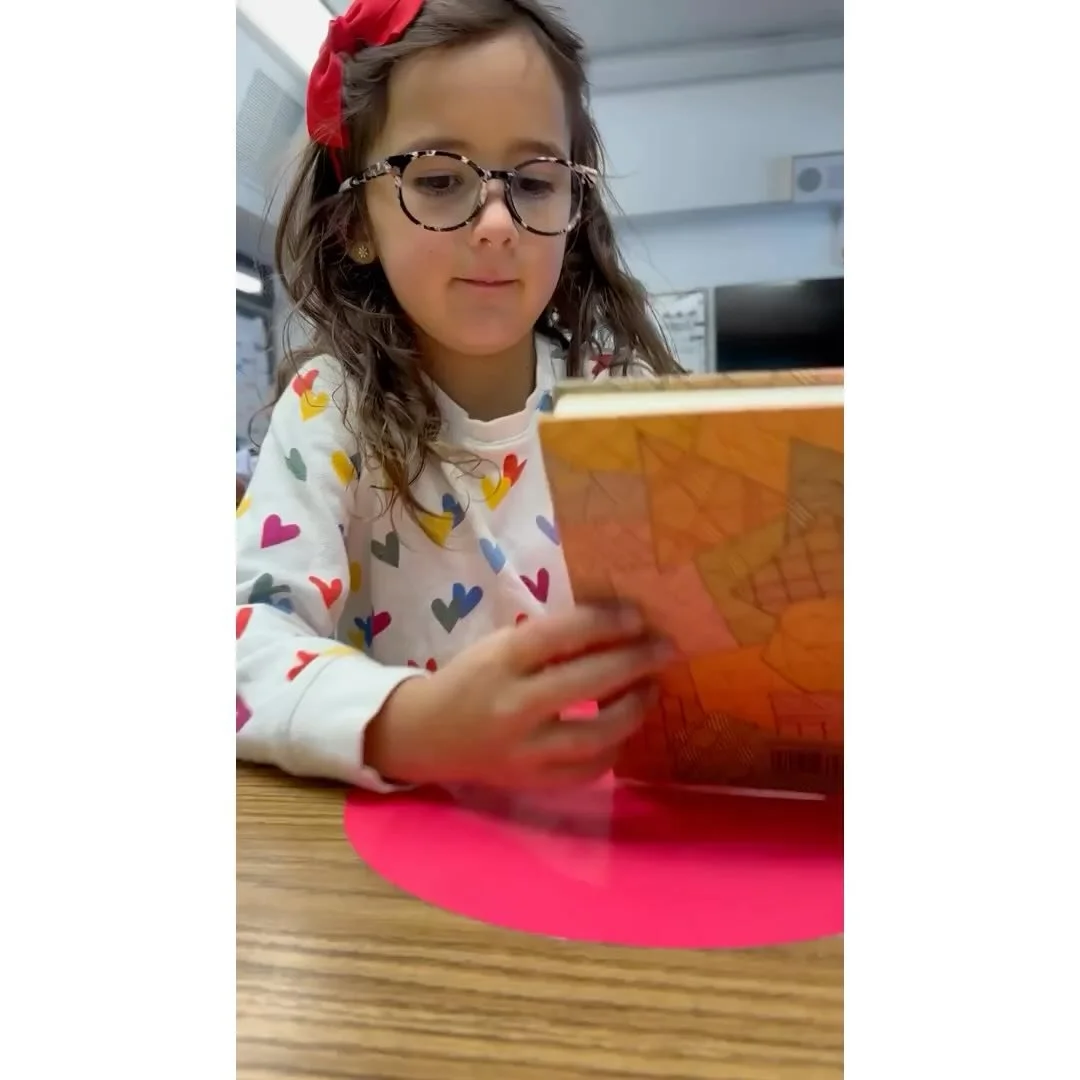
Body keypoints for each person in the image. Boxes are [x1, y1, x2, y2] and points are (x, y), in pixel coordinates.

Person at [236, 0, 683, 793]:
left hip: (614, 823)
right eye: (439, 180)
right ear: (356, 223)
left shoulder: (624, 406)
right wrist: (410, 724)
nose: (498, 222)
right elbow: (240, 645)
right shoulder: (331, 409)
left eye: (535, 182)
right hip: (386, 846)